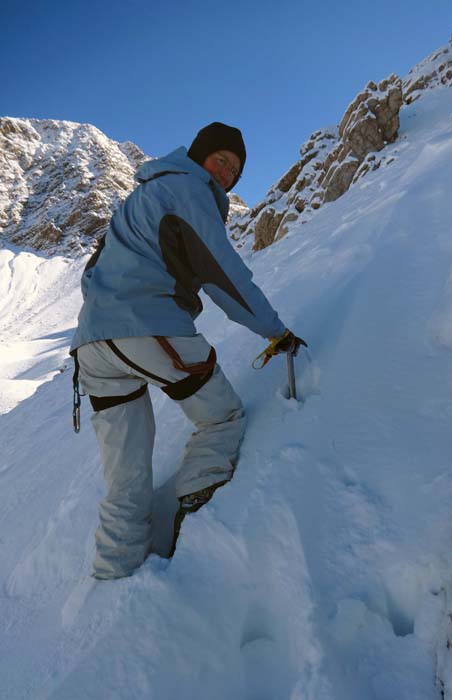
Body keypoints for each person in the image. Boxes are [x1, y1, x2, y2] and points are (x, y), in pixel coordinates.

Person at [70, 122, 305, 580]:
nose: (226, 174)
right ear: (199, 157)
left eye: (235, 170)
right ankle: (196, 510)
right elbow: (226, 276)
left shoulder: (139, 197)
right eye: (221, 160)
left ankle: (113, 578)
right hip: (151, 328)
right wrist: (276, 333)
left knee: (125, 480)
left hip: (92, 347)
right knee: (221, 417)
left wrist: (108, 321)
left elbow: (92, 270)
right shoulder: (188, 190)